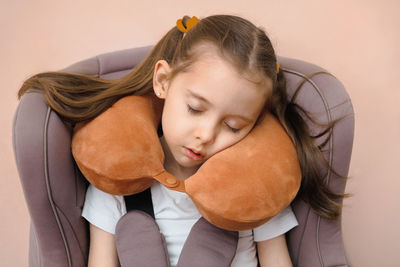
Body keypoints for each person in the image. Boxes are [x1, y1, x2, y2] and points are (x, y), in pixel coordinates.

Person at [18, 14, 346, 267]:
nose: (205, 134)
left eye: (233, 126)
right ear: (163, 82)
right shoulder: (118, 181)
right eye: (194, 108)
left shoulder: (257, 191)